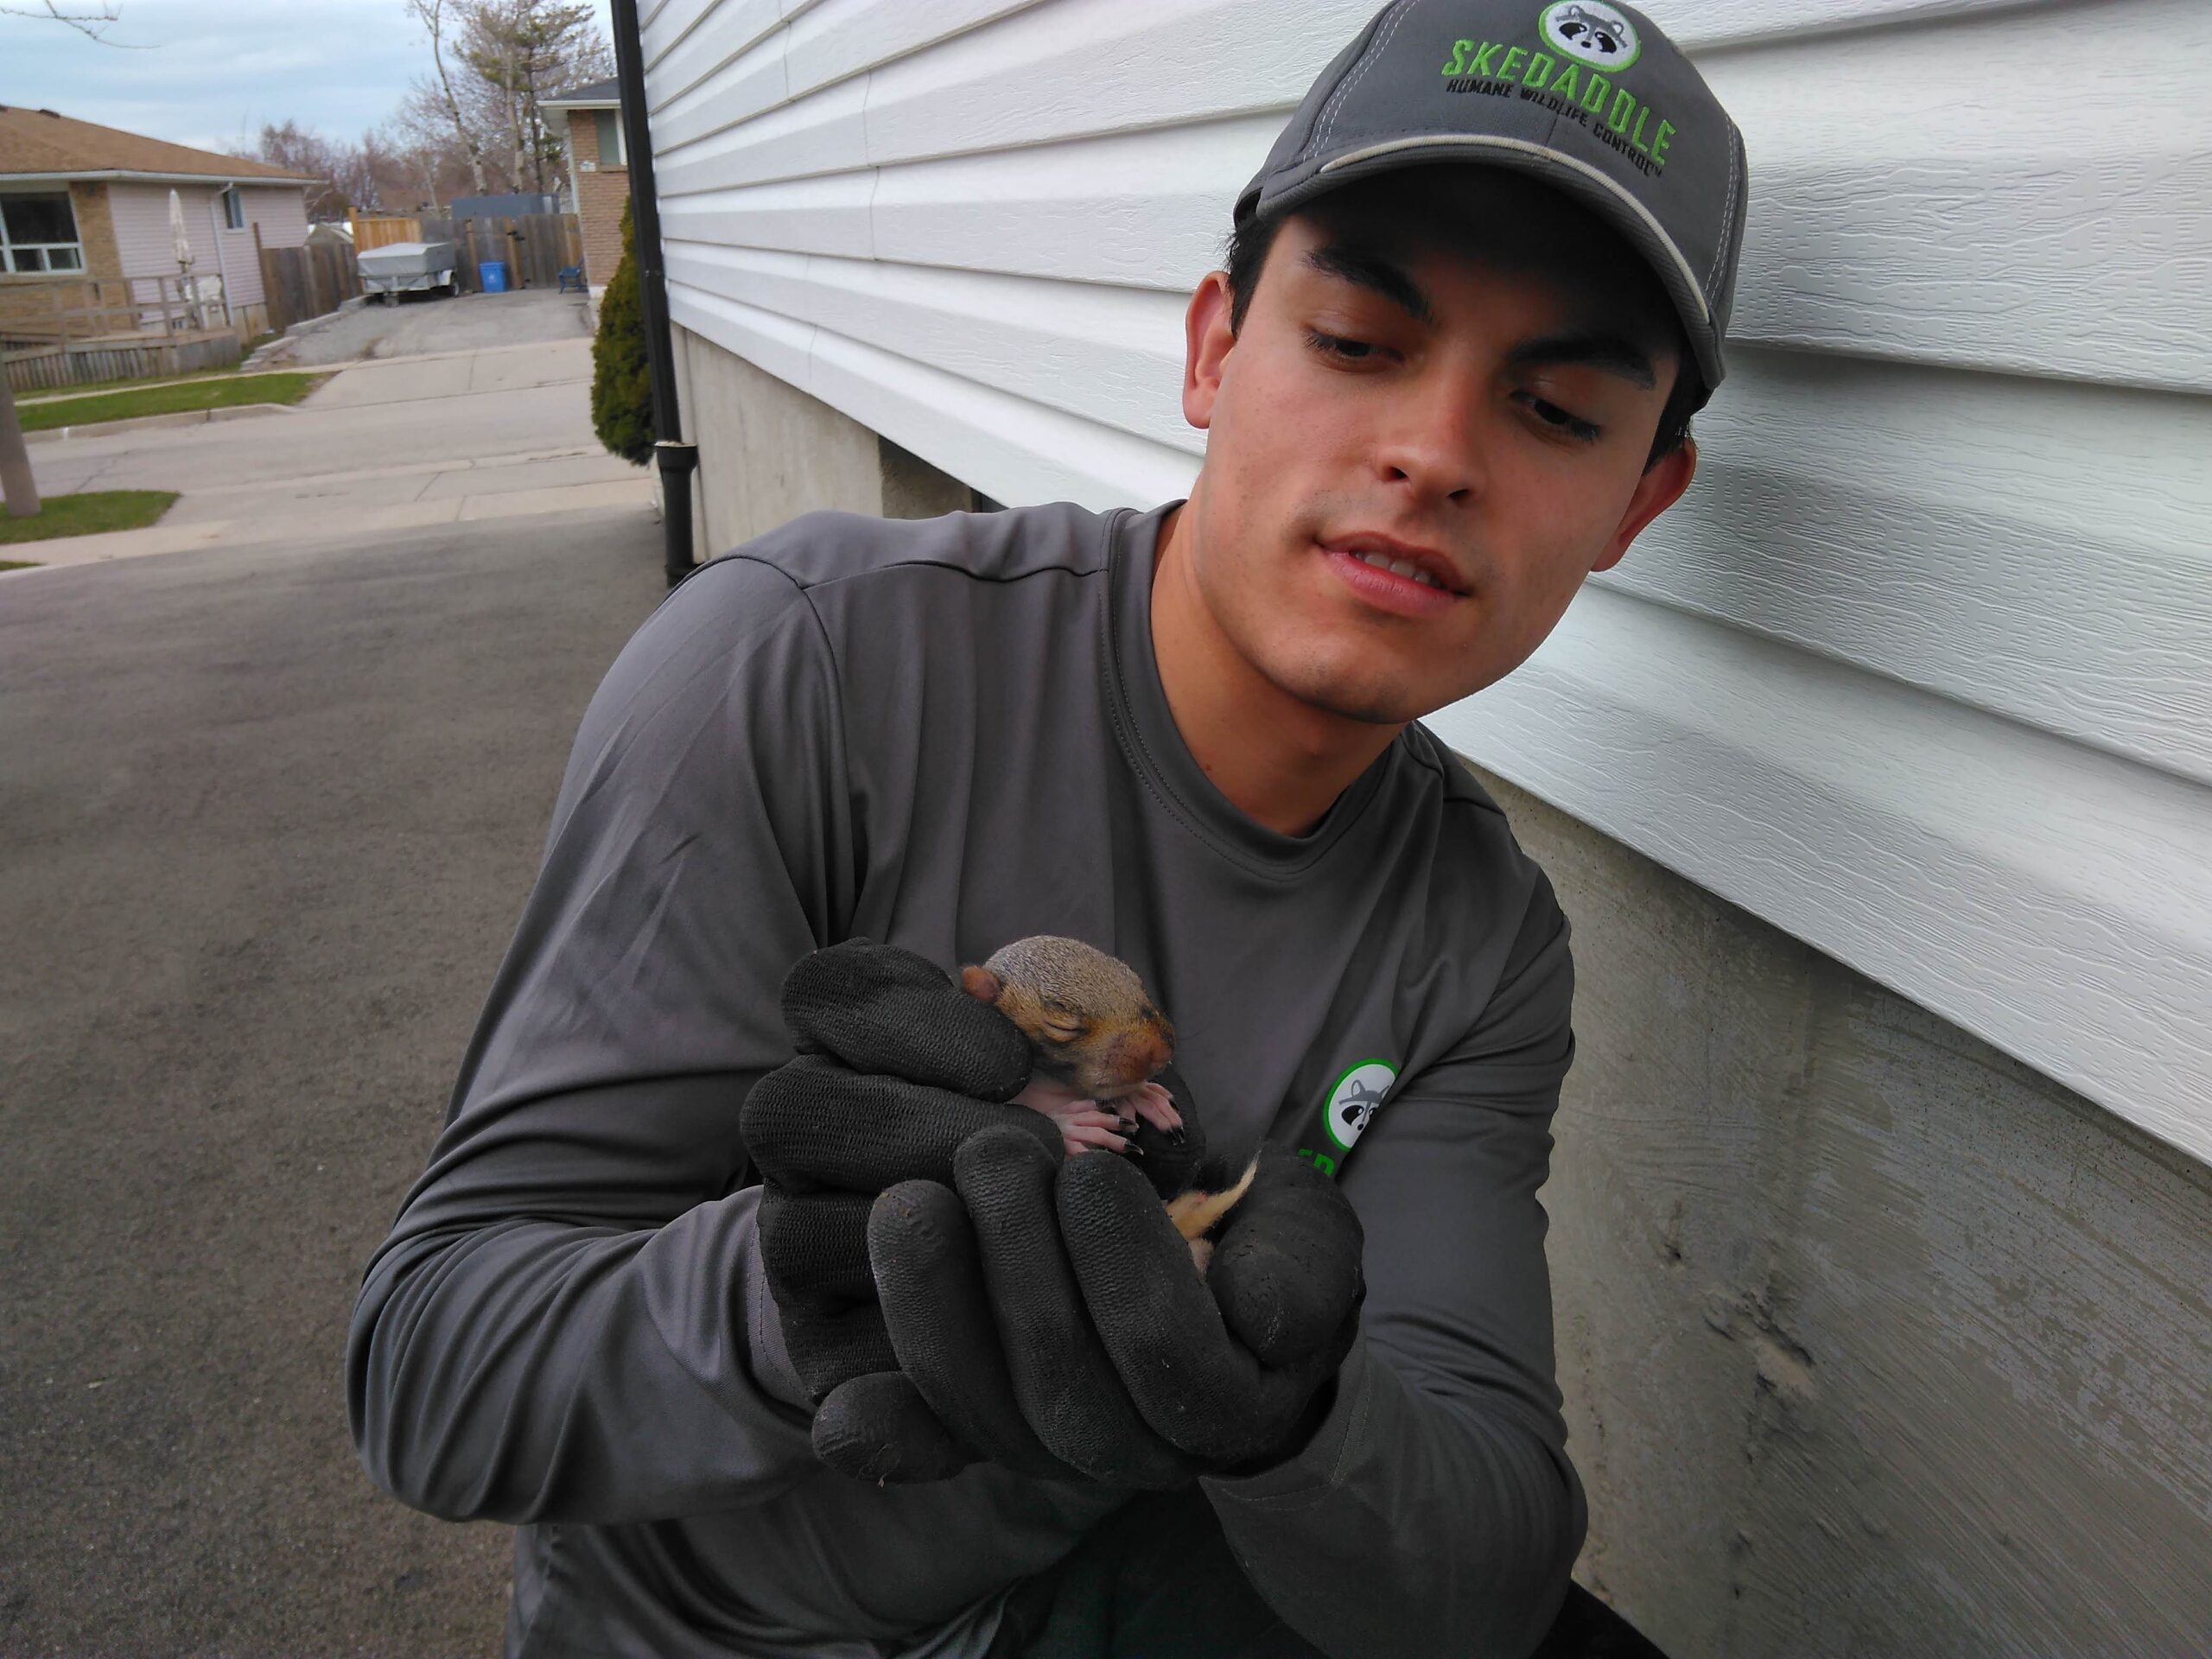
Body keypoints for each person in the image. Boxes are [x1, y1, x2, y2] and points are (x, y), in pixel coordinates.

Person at [346, 1, 1747, 1654]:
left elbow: (1478, 1570)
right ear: (1214, 349)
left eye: (1559, 413)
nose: (1431, 455)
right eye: (1360, 343)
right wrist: (817, 1280)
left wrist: (1292, 1418)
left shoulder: (1478, 941)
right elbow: (436, 1375)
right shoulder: (806, 667)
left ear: (1639, 503)